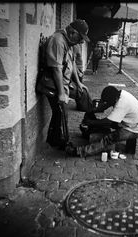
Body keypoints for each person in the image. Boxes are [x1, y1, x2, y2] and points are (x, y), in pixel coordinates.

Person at [45, 19, 93, 148]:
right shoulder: (58, 41)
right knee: (61, 112)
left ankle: (89, 122)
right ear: (72, 32)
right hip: (53, 84)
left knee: (83, 92)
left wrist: (78, 83)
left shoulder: (70, 43)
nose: (81, 41)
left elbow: (72, 66)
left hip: (65, 83)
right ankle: (59, 141)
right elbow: (56, 68)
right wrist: (61, 93)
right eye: (80, 37)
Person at [66, 86, 138, 157]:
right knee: (105, 125)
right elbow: (106, 106)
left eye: (107, 101)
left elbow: (108, 121)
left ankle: (78, 152)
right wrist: (95, 110)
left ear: (113, 99)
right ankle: (91, 136)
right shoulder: (119, 94)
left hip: (133, 130)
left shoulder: (121, 104)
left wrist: (91, 122)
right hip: (133, 124)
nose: (107, 103)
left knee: (108, 139)